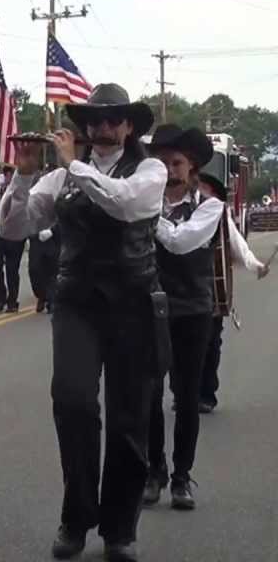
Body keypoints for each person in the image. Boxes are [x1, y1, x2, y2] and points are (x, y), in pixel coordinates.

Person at [0, 84, 165, 562]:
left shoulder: (150, 171)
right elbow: (14, 228)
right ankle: (76, 518)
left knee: (129, 418)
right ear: (85, 126)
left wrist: (73, 165)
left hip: (133, 303)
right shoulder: (59, 177)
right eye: (95, 119)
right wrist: (23, 176)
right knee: (72, 404)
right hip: (77, 302)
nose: (103, 127)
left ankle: (120, 529)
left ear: (129, 126)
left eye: (114, 119)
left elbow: (123, 204)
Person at [140, 125, 220, 511]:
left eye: (177, 163)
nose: (170, 171)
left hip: (192, 309)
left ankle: (182, 477)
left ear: (192, 167)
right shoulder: (143, 201)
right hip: (150, 309)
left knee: (186, 397)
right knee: (149, 395)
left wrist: (144, 213)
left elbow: (180, 241)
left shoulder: (210, 206)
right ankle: (154, 470)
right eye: (163, 163)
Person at [197, 173, 268, 413]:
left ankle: (206, 394)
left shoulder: (219, 215)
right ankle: (184, 392)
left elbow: (238, 245)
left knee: (210, 344)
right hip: (180, 292)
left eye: (205, 189)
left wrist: (255, 265)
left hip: (210, 292)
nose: (200, 193)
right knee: (180, 346)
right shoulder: (177, 211)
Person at [0, 164, 27, 313]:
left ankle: (12, 301)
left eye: (11, 174)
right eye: (5, 174)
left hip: (14, 233)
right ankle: (0, 298)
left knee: (12, 268)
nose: (8, 177)